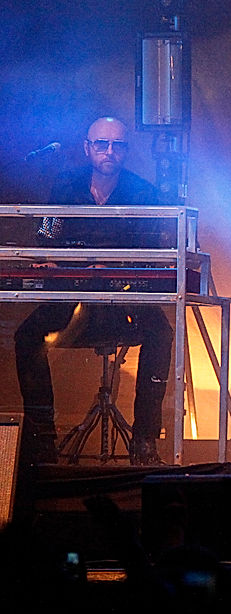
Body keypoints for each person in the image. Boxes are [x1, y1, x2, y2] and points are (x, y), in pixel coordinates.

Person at [15, 116, 173, 466]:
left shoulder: (143, 192)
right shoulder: (65, 185)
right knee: (27, 336)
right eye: (101, 144)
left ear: (126, 152)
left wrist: (114, 268)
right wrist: (51, 261)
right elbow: (47, 233)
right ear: (88, 148)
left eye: (117, 145)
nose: (109, 152)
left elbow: (151, 250)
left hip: (123, 296)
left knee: (161, 331)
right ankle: (42, 441)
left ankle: (144, 440)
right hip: (74, 296)